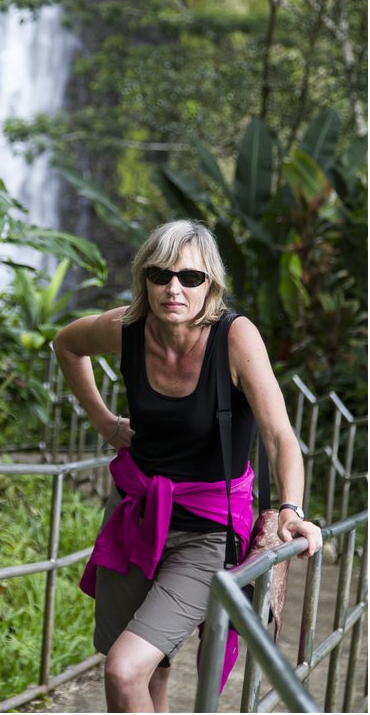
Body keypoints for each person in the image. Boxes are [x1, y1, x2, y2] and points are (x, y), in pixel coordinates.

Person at [53, 219, 322, 713]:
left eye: (190, 278)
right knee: (149, 665)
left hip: (208, 529)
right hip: (136, 512)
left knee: (123, 667)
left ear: (210, 285)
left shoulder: (234, 338)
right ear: (145, 279)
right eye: (160, 275)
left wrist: (290, 508)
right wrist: (106, 422)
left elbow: (280, 435)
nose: (174, 288)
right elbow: (66, 344)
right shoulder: (129, 328)